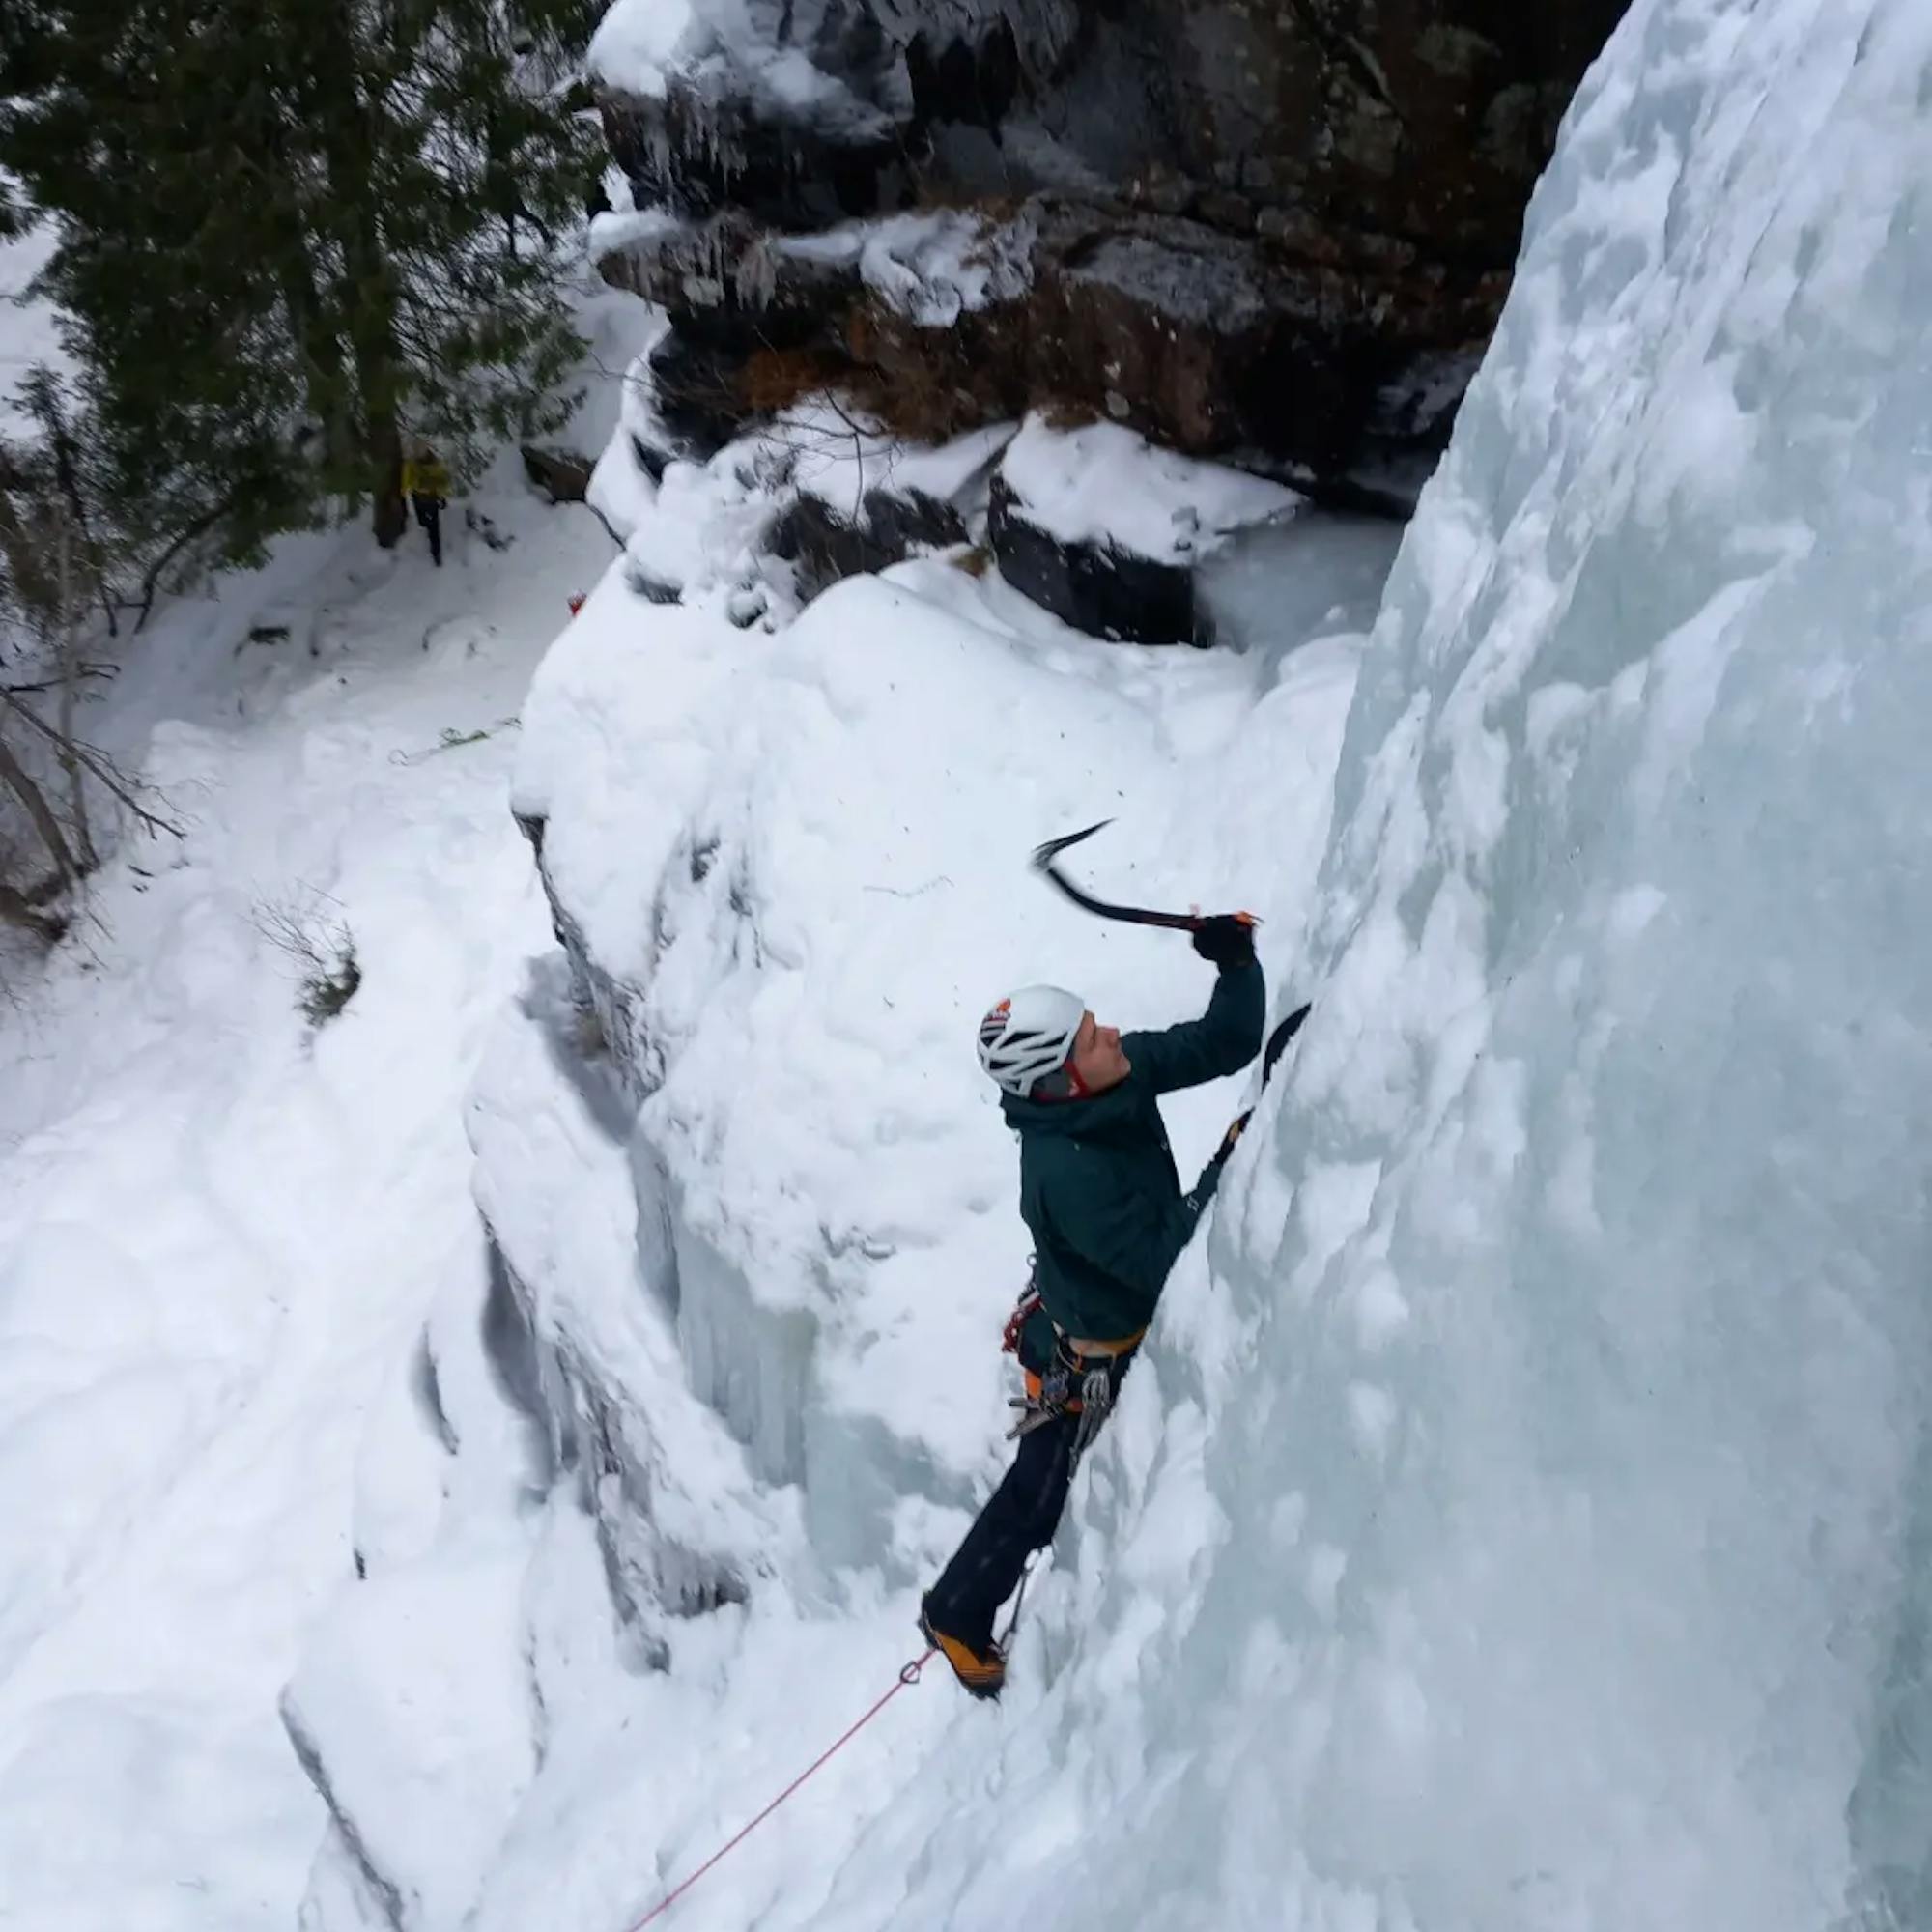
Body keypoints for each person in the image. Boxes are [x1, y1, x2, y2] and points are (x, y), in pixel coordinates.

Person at [919, 913, 1264, 1697]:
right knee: (1040, 1500)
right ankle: (955, 1613)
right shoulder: (1064, 1174)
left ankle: (956, 1608)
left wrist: (1236, 965)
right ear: (1060, 1082)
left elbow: (1219, 1044)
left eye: (1093, 1024)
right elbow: (1160, 1263)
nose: (1111, 1032)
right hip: (1098, 1345)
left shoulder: (1109, 1071)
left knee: (1042, 1490)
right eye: (1089, 1038)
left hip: (1089, 1308)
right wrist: (1233, 1156)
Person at [401, 442, 452, 566]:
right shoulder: (434, 463)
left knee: (430, 525)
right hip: (427, 498)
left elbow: (406, 480)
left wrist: (404, 490)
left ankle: (436, 553)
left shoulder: (414, 463)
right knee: (431, 525)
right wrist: (443, 497)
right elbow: (444, 481)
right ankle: (435, 553)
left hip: (423, 498)